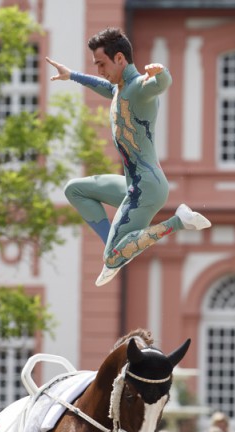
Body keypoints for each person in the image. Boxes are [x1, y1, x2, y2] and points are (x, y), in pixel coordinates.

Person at [46, 27, 211, 287]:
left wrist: (162, 72)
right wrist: (72, 75)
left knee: (112, 258)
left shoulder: (139, 88)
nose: (100, 70)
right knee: (74, 190)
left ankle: (177, 222)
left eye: (102, 64)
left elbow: (160, 84)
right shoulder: (119, 89)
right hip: (132, 184)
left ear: (120, 59)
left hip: (146, 188)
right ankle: (115, 249)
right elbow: (104, 86)